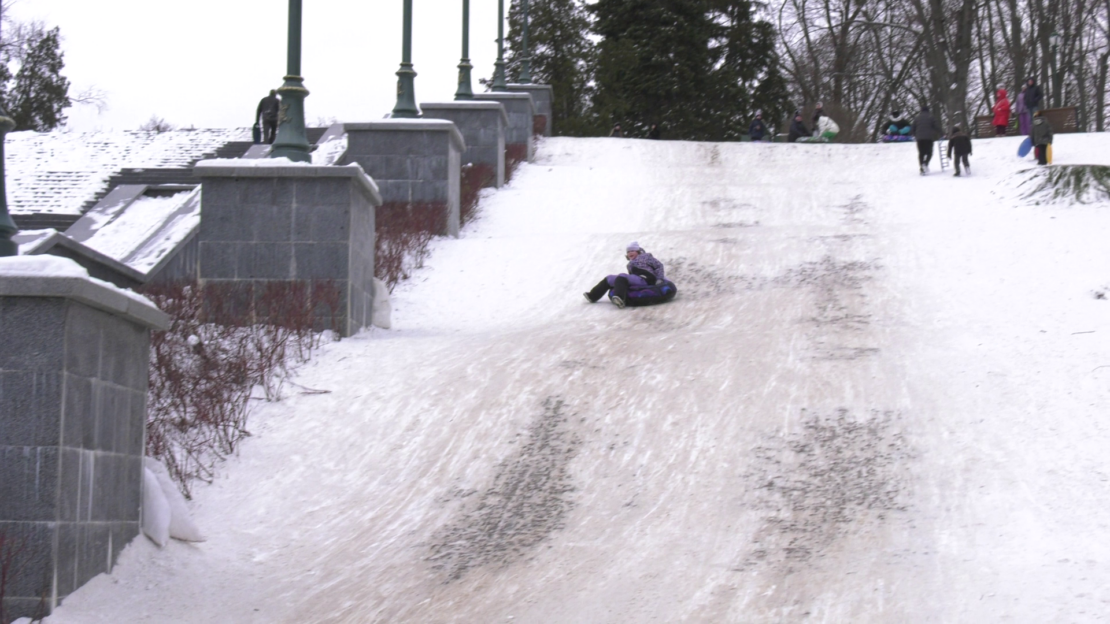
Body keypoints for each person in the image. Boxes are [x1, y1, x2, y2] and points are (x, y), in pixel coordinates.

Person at [583, 242, 666, 309]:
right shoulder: (630, 264)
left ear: (638, 251)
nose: (630, 253)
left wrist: (659, 278)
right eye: (628, 252)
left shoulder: (646, 257)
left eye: (632, 251)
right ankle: (592, 296)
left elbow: (659, 266)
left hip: (646, 279)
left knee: (622, 276)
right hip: (637, 279)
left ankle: (620, 299)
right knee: (609, 278)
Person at [911, 104, 941, 174]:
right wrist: (942, 133)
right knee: (929, 153)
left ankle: (922, 168)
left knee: (921, 153)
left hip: (919, 138)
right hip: (929, 138)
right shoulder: (931, 117)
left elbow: (913, 127)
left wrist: (912, 134)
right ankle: (926, 163)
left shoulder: (917, 118)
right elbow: (936, 126)